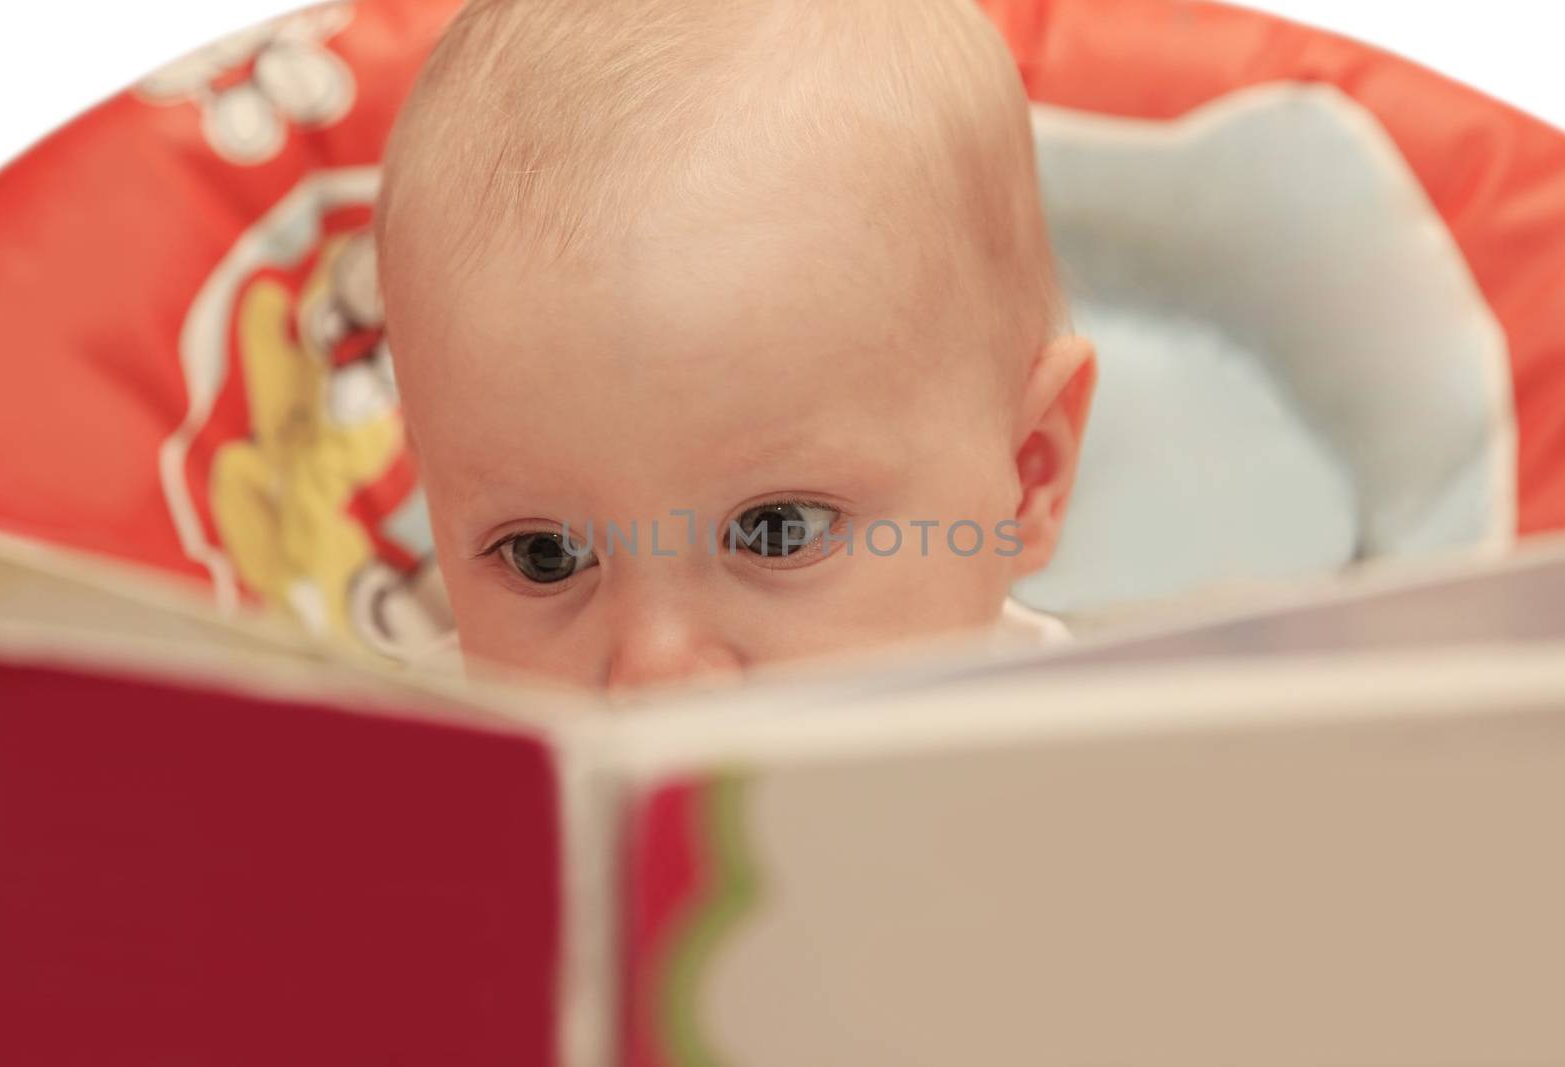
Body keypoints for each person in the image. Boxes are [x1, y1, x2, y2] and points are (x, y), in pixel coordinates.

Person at [376, 0, 1095, 687]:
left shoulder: (1109, 765)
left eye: (775, 530)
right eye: (545, 555)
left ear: (1027, 477)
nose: (653, 669)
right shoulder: (407, 782)